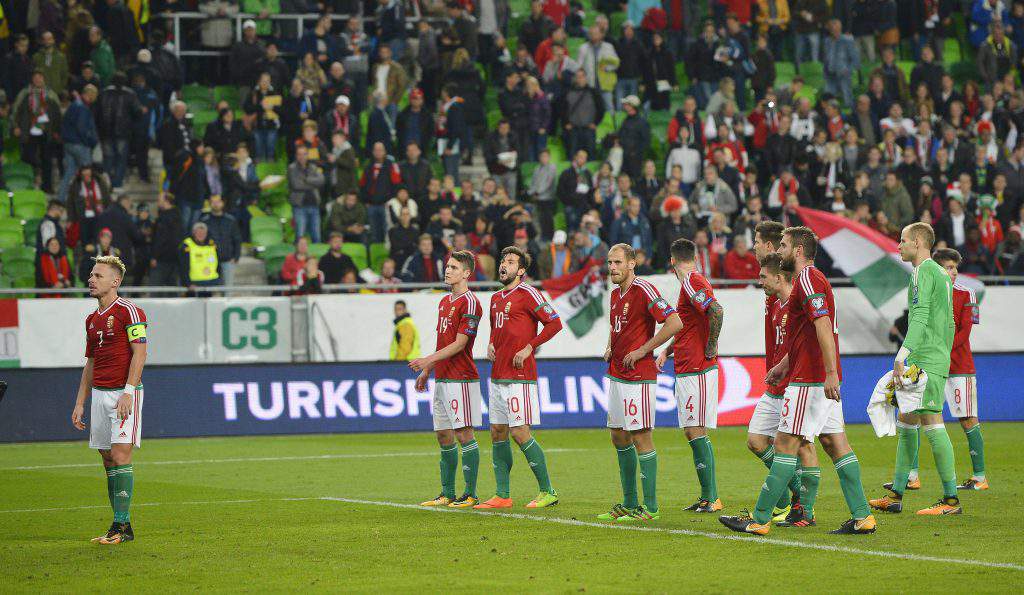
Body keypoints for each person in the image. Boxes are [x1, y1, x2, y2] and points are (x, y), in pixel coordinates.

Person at [720, 226, 876, 535]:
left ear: (798, 251)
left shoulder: (807, 279)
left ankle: (761, 518)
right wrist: (783, 364)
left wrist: (830, 373)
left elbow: (822, 326)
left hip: (810, 380)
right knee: (835, 444)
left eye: (783, 245)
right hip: (813, 375)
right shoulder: (810, 281)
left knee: (784, 444)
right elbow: (806, 333)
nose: (778, 251)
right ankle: (863, 516)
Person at [868, 224, 962, 516]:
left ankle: (950, 500)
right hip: (931, 355)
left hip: (927, 358)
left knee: (933, 421)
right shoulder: (941, 275)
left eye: (903, 240)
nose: (898, 246)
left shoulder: (923, 272)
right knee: (907, 418)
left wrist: (902, 354)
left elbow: (919, 317)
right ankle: (896, 494)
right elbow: (949, 322)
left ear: (919, 242)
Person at [596, 243, 682, 523]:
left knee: (641, 437)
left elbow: (674, 322)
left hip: (638, 376)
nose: (613, 268)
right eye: (610, 263)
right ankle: (630, 503)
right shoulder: (614, 295)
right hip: (617, 373)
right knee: (618, 435)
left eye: (618, 263)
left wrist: (645, 350)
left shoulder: (644, 290)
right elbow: (615, 325)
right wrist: (610, 345)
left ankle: (652, 507)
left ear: (632, 263)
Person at [474, 246, 564, 509]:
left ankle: (548, 491)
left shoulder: (528, 293)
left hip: (520, 375)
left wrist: (529, 347)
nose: (504, 264)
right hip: (498, 374)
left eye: (511, 262)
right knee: (497, 431)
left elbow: (555, 323)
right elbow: (496, 327)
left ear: (521, 271)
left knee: (520, 431)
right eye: (503, 260)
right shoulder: (496, 298)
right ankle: (502, 495)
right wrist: (491, 343)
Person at [70, 255, 147, 545]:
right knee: (106, 459)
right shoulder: (91, 320)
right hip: (99, 394)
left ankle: (121, 527)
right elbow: (89, 364)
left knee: (120, 455)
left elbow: (140, 353)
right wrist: (80, 402)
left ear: (115, 281)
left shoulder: (131, 311)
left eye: (98, 275)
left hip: (123, 392)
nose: (91, 279)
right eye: (91, 275)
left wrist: (129, 390)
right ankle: (119, 527)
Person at [749, 239, 817, 527]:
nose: (759, 281)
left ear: (778, 277)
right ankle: (794, 488)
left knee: (803, 446)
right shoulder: (777, 305)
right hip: (776, 387)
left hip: (797, 385)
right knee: (755, 441)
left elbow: (806, 342)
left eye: (763, 276)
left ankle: (804, 510)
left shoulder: (797, 304)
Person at [410, 250, 484, 508]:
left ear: (466, 273)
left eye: (453, 267)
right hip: (442, 378)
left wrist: (427, 359)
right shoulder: (444, 302)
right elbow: (443, 340)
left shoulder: (471, 303)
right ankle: (447, 493)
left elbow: (460, 344)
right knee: (443, 435)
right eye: (447, 266)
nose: (447, 270)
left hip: (461, 377)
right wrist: (428, 370)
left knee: (464, 434)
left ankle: (471, 493)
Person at [654, 238, 724, 513]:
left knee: (696, 430)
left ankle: (712, 496)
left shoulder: (693, 281)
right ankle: (707, 496)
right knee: (692, 430)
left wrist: (711, 346)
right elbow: (688, 324)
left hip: (697, 368)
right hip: (685, 366)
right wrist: (667, 351)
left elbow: (716, 311)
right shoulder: (688, 284)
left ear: (672, 261)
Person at [198, 195, 242, 287]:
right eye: (213, 202)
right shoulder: (204, 221)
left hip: (228, 259)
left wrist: (236, 256)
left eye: (218, 202)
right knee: (209, 288)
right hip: (209, 260)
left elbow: (237, 239)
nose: (215, 204)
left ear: (223, 203)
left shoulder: (230, 220)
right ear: (210, 204)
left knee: (227, 288)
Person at [288, 145, 326, 243]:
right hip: (300, 207)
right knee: (300, 236)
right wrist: (314, 184)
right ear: (296, 156)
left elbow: (322, 180)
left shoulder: (313, 167)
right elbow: (296, 185)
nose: (302, 157)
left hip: (314, 205)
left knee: (317, 236)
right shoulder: (292, 168)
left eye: (304, 154)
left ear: (307, 155)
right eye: (299, 154)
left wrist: (307, 180)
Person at [149, 192, 183, 287]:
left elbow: (161, 238)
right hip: (174, 258)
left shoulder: (164, 218)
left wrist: (155, 256)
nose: (158, 203)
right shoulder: (178, 216)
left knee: (155, 288)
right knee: (172, 290)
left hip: (162, 259)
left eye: (160, 200)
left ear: (166, 201)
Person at [180, 222, 220, 293]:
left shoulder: (212, 244)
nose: (201, 235)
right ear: (193, 233)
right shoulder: (187, 245)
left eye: (203, 233)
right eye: (198, 233)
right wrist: (188, 283)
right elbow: (183, 266)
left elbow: (218, 261)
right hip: (194, 283)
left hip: (212, 282)